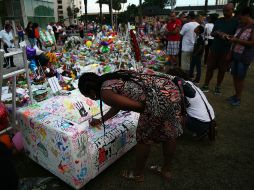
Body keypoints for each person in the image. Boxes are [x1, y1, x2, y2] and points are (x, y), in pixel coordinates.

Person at [78, 70, 184, 182]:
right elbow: (117, 104)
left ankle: (137, 174)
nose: (90, 98)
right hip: (170, 90)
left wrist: (149, 120)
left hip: (158, 99)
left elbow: (140, 107)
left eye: (88, 96)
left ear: (91, 92)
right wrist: (101, 120)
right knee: (170, 133)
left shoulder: (105, 93)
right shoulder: (109, 78)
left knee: (143, 139)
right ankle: (166, 170)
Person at [201, 3, 238, 95]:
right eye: (224, 10)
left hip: (226, 50)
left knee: (222, 70)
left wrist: (227, 36)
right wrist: (217, 33)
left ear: (232, 10)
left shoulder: (236, 22)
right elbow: (212, 34)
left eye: (227, 10)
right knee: (210, 68)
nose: (225, 12)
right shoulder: (219, 21)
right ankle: (206, 85)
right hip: (215, 48)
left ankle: (218, 86)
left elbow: (236, 37)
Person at [167, 68, 215, 139]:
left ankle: (175, 132)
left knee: (170, 111)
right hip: (210, 119)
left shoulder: (180, 87)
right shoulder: (190, 83)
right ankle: (203, 129)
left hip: (200, 122)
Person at [227, 7, 254, 106]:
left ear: (246, 15)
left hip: (244, 56)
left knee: (240, 77)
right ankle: (236, 95)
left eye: (240, 17)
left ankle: (238, 98)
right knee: (235, 76)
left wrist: (236, 40)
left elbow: (252, 43)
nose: (239, 19)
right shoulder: (241, 25)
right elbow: (235, 38)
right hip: (235, 54)